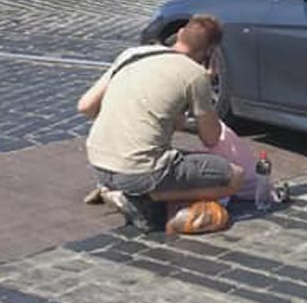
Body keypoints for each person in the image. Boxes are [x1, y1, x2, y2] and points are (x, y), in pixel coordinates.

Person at [76, 14, 245, 232]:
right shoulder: (195, 75)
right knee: (235, 177)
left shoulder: (132, 54)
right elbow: (211, 137)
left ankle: (113, 188)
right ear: (209, 52)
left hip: (99, 163)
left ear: (180, 34)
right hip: (139, 172)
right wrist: (205, 84)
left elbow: (86, 107)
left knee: (156, 156)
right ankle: (140, 198)